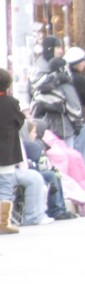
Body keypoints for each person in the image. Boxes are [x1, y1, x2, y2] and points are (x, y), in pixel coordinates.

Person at [30, 37, 84, 151]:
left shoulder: (57, 72)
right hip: (56, 126)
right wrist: (57, 78)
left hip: (50, 125)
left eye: (62, 47)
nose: (61, 51)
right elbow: (38, 85)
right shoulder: (41, 67)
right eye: (58, 47)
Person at [0, 69, 26, 234]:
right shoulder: (11, 103)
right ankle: (2, 222)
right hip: (6, 152)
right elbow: (19, 121)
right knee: (5, 186)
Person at [64, 47, 85, 165]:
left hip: (66, 122)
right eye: (83, 61)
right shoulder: (80, 79)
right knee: (80, 158)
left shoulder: (64, 78)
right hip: (78, 120)